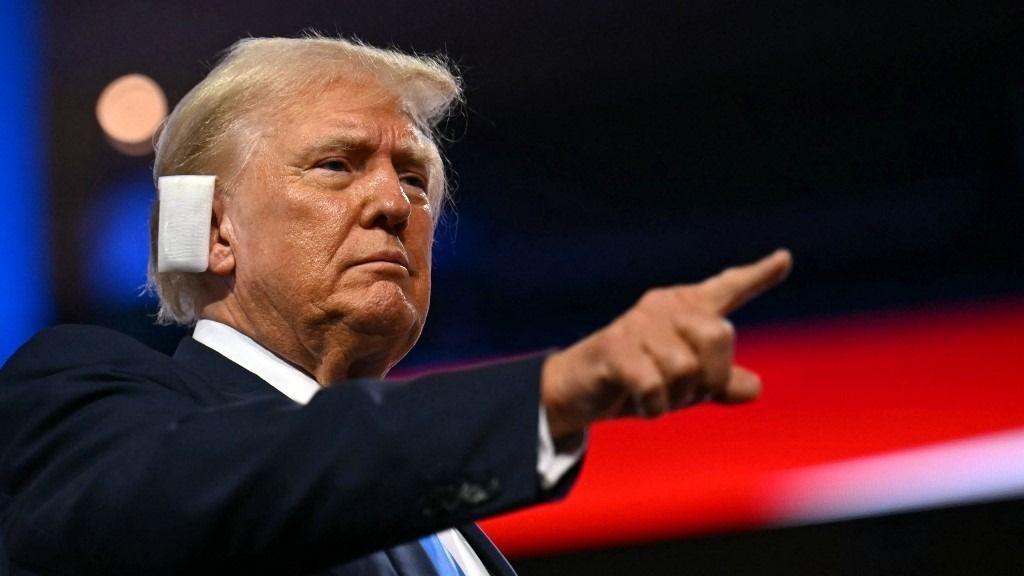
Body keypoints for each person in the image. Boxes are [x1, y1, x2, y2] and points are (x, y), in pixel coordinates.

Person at [0, 35, 792, 575]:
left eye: (414, 178)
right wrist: (545, 394)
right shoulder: (75, 392)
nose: (394, 204)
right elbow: (241, 480)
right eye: (338, 165)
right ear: (213, 232)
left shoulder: (448, 525)